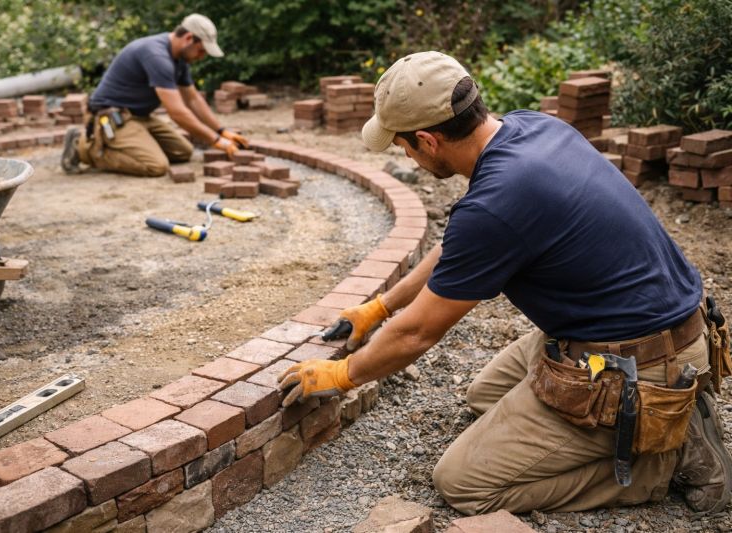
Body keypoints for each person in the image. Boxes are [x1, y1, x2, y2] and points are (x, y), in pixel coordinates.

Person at [279, 51, 732, 515]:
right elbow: (460, 248)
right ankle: (655, 415)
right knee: (483, 396)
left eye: (403, 147)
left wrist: (343, 374)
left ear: (428, 141)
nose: (408, 158)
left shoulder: (496, 204)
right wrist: (379, 308)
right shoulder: (533, 127)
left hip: (636, 362)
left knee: (462, 483)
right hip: (647, 322)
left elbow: (419, 333)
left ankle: (659, 459)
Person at [60, 13, 248, 177]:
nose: (202, 56)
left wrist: (221, 130)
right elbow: (178, 112)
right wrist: (217, 141)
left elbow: (193, 99)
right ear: (189, 38)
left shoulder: (180, 60)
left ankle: (131, 142)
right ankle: (82, 146)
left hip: (139, 117)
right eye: (201, 50)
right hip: (111, 116)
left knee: (182, 152)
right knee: (155, 166)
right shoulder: (156, 56)